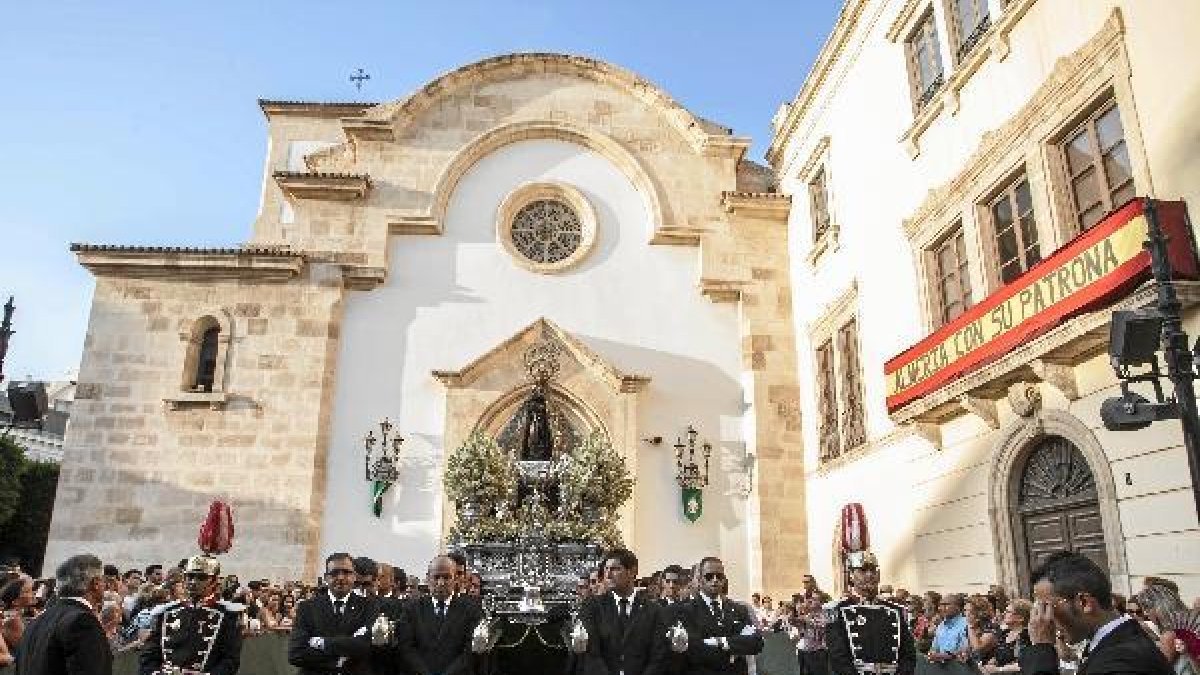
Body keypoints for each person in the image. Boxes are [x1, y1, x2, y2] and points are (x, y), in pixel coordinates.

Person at [1021, 550, 1172, 675]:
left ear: (1084, 603)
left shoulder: (1123, 659)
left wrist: (1041, 648)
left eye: (1047, 607)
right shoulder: (1116, 642)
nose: (1043, 619)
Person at [139, 554, 244, 675]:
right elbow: (148, 657)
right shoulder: (165, 612)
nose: (193, 582)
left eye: (201, 577)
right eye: (190, 576)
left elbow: (230, 660)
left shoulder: (228, 615)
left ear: (214, 580)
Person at [14, 553, 112, 675]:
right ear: (96, 583)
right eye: (103, 580)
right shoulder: (83, 621)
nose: (106, 585)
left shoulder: (36, 620)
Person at [577, 547, 667, 675]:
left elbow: (658, 656)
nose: (608, 575)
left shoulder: (653, 610)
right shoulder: (592, 606)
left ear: (632, 572)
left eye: (615, 569)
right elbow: (591, 654)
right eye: (606, 569)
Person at [288, 552, 380, 675]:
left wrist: (321, 642)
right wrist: (337, 660)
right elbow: (296, 653)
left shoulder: (369, 606)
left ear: (354, 577)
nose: (340, 577)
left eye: (346, 572)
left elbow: (365, 647)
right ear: (326, 578)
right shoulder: (307, 608)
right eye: (334, 572)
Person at [825, 551, 916, 675]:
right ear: (851, 575)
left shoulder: (897, 611)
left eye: (873, 570)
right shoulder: (838, 610)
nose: (869, 575)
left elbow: (908, 655)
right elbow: (838, 658)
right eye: (863, 570)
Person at [670, 556, 763, 675]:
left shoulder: (739, 609)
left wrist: (720, 642)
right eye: (709, 576)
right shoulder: (686, 611)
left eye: (719, 576)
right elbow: (694, 650)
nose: (714, 580)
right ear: (700, 579)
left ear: (724, 580)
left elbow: (756, 642)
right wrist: (735, 649)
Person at [398, 554, 484, 675]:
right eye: (436, 577)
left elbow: (470, 650)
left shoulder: (471, 611)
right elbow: (406, 647)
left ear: (455, 579)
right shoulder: (411, 609)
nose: (441, 583)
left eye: (447, 577)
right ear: (427, 578)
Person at [1136, 583, 1199, 674]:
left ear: (1156, 608)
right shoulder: (1188, 622)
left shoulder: (1169, 634)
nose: (1146, 614)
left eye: (1146, 609)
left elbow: (1159, 666)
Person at [981, 599, 1031, 673]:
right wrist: (991, 663)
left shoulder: (1026, 636)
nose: (1004, 613)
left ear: (1020, 618)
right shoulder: (1005, 633)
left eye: (1008, 612)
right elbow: (998, 654)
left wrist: (999, 669)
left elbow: (1024, 663)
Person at [788, 594, 829, 675]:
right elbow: (799, 628)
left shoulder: (825, 614)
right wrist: (792, 615)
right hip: (806, 651)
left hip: (818, 652)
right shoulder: (808, 615)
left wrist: (804, 620)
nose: (810, 601)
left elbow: (821, 625)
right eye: (809, 600)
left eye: (814, 599)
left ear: (821, 602)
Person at [927, 594, 968, 664]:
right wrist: (932, 654)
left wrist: (945, 656)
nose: (940, 608)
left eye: (945, 605)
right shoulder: (941, 625)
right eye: (940, 605)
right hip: (940, 667)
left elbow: (965, 652)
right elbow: (934, 648)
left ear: (957, 607)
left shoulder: (966, 624)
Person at [965, 593, 999, 664]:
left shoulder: (990, 627)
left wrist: (970, 626)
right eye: (965, 610)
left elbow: (977, 648)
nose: (966, 614)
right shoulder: (975, 626)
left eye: (969, 610)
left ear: (979, 612)